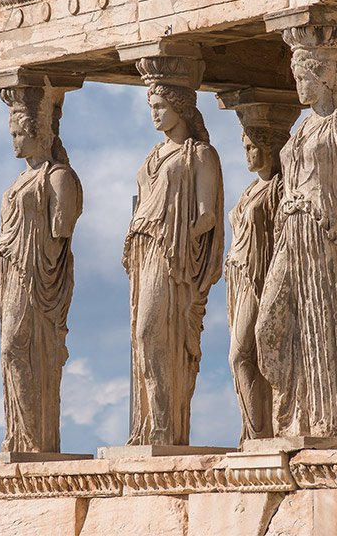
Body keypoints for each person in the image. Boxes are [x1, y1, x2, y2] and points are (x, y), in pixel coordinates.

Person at [255, 21, 337, 438]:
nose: (298, 87)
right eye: (296, 78)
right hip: (292, 233)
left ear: (324, 78)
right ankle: (292, 413)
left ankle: (328, 420)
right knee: (269, 326)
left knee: (324, 323)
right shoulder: (299, 130)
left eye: (303, 78)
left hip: (325, 236)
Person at [123, 80, 223, 446]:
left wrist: (179, 236)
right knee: (142, 338)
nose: (155, 113)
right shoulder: (153, 155)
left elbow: (208, 214)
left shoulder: (199, 155)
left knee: (152, 332)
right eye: (152, 106)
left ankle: (166, 427)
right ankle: (148, 426)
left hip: (172, 253)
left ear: (180, 108)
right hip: (144, 249)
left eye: (161, 106)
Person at [0, 86, 82, 452]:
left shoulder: (57, 176)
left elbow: (62, 228)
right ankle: (20, 435)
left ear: (37, 133)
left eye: (17, 134)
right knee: (9, 350)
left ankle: (36, 438)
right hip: (11, 271)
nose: (12, 141)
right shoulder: (18, 182)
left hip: (35, 274)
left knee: (18, 346)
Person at [225, 120, 291, 444]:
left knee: (242, 354)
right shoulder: (250, 189)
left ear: (269, 148)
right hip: (238, 275)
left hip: (259, 277)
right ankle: (252, 431)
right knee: (243, 354)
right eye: (245, 147)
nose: (247, 154)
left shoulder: (279, 187)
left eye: (252, 147)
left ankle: (258, 434)